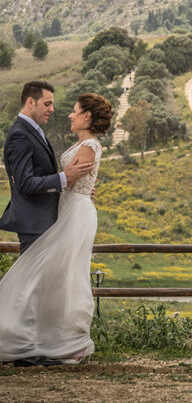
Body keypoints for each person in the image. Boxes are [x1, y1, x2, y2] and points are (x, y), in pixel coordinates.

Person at [0, 92, 114, 367]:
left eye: (75, 111)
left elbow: (74, 181)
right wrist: (77, 186)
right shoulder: (84, 144)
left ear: (87, 116)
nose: (69, 115)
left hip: (75, 213)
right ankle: (40, 340)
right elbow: (71, 179)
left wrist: (81, 189)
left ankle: (64, 341)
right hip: (70, 209)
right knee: (53, 275)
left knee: (64, 275)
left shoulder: (88, 146)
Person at [0, 80, 94, 254]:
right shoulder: (20, 135)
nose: (52, 109)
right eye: (47, 104)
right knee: (32, 281)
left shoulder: (33, 130)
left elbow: (41, 175)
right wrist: (65, 178)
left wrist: (75, 188)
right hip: (35, 225)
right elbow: (25, 183)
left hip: (45, 223)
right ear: (30, 102)